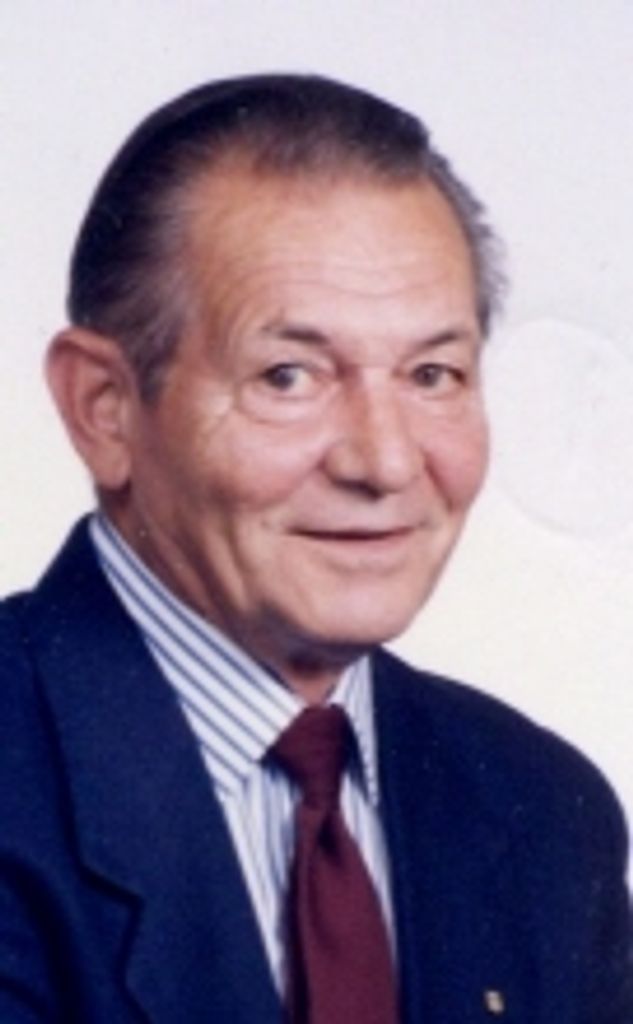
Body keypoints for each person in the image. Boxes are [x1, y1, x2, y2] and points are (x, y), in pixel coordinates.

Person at [0, 74, 630, 1024]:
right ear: (105, 408)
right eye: (288, 376)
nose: (384, 462)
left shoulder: (540, 812)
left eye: (432, 374)